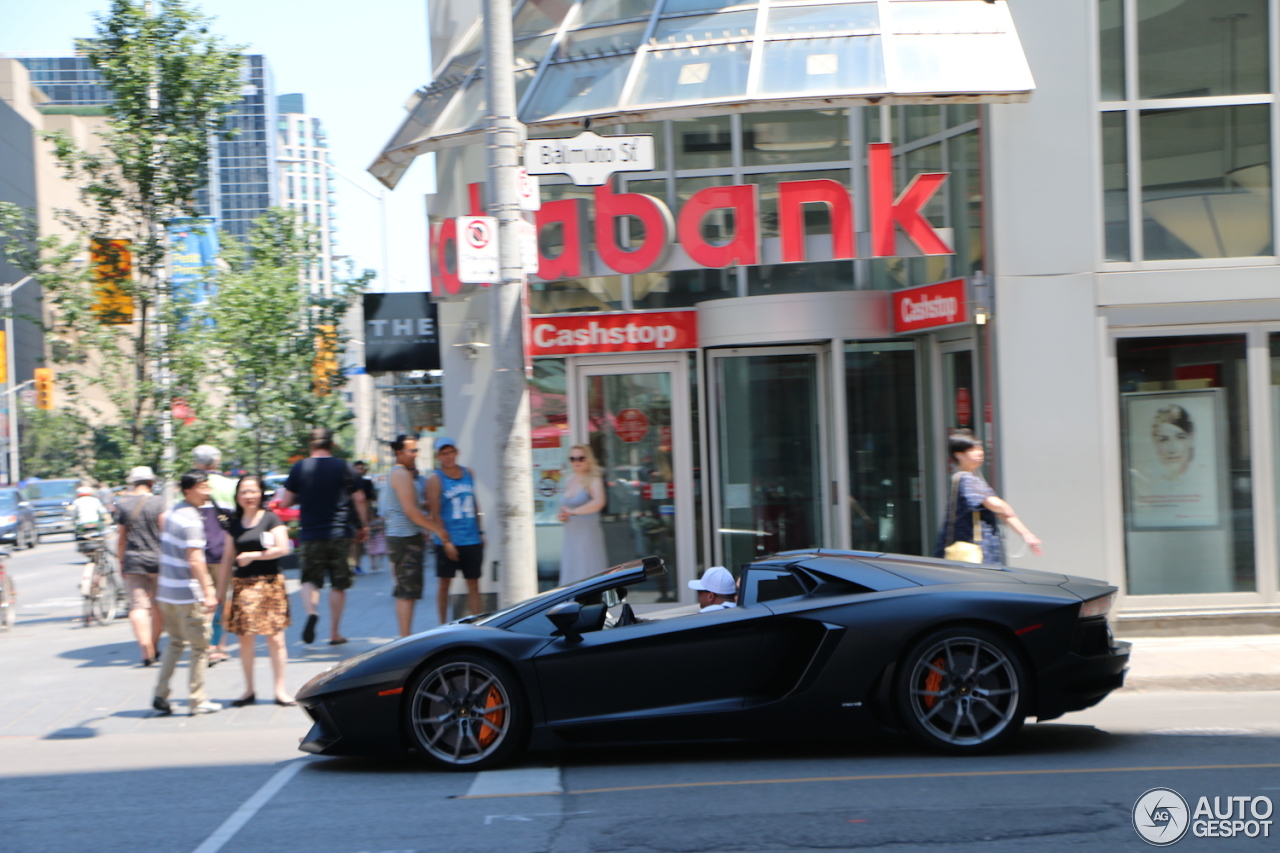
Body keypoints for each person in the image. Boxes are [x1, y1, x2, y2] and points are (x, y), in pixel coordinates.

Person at [277, 427, 369, 645]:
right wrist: (363, 525)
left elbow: (286, 502)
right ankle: (334, 633)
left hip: (310, 533)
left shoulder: (300, 467)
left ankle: (311, 612)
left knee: (310, 580)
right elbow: (360, 498)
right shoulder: (344, 466)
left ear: (311, 445)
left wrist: (305, 496)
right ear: (331, 444)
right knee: (339, 584)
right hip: (340, 533)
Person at [218, 475, 294, 706]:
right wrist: (219, 593)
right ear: (237, 496)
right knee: (245, 640)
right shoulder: (234, 523)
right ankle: (249, 689)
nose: (249, 496)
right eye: (244, 492)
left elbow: (283, 548)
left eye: (253, 491)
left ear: (260, 493)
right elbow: (226, 560)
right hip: (243, 586)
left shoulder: (271, 519)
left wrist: (254, 556)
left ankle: (280, 690)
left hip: (271, 583)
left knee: (276, 639)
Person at [152, 470, 221, 716]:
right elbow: (195, 559)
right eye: (203, 487)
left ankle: (161, 692)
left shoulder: (174, 514)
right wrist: (209, 591)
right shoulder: (192, 520)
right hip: (187, 594)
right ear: (189, 490)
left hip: (167, 592)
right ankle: (197, 699)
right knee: (201, 647)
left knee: (175, 642)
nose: (207, 492)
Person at [932, 430, 1042, 566]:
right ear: (959, 455)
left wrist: (1026, 535)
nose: (980, 452)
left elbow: (1003, 512)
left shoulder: (971, 479)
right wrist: (1005, 507)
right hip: (973, 553)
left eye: (980, 448)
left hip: (978, 552)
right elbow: (996, 505)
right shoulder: (965, 479)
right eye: (973, 449)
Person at [383, 435, 448, 636]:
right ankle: (404, 638)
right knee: (406, 593)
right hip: (404, 539)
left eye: (416, 450)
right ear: (398, 453)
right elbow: (411, 511)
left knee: (408, 591)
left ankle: (405, 636)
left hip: (406, 537)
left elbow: (412, 506)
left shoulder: (402, 474)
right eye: (411, 451)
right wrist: (437, 529)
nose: (415, 454)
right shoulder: (400, 474)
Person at [426, 436, 482, 624]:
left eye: (450, 452)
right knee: (444, 584)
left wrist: (481, 532)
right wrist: (445, 541)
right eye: (443, 453)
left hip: (471, 538)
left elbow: (474, 503)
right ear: (438, 456)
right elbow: (435, 513)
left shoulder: (469, 473)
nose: (448, 457)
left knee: (473, 583)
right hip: (448, 539)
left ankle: (478, 623)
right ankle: (442, 624)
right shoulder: (435, 479)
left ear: (456, 452)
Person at [116, 467, 166, 666]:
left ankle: (145, 649)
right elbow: (165, 532)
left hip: (133, 560)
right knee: (157, 605)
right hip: (158, 560)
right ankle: (154, 644)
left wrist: (121, 561)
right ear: (151, 482)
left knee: (138, 606)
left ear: (133, 483)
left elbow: (121, 539)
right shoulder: (159, 502)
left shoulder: (124, 505)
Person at [193, 446, 234, 664]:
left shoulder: (188, 486)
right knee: (222, 599)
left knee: (201, 600)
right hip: (222, 552)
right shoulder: (230, 486)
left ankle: (203, 644)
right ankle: (218, 645)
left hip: (194, 553)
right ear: (216, 462)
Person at [557, 444, 608, 586]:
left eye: (580, 458)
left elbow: (599, 502)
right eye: (572, 459)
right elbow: (565, 507)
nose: (576, 462)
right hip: (571, 536)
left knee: (588, 575)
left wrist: (573, 512)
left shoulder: (593, 479)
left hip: (587, 536)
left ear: (588, 459)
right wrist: (562, 515)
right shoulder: (569, 480)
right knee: (571, 574)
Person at [350, 460, 377, 574]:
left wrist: (369, 517)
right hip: (348, 513)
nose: (359, 470)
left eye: (362, 468)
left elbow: (369, 501)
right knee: (350, 541)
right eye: (357, 468)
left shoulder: (366, 483)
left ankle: (357, 565)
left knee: (358, 542)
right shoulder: (347, 482)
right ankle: (351, 565)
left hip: (361, 514)